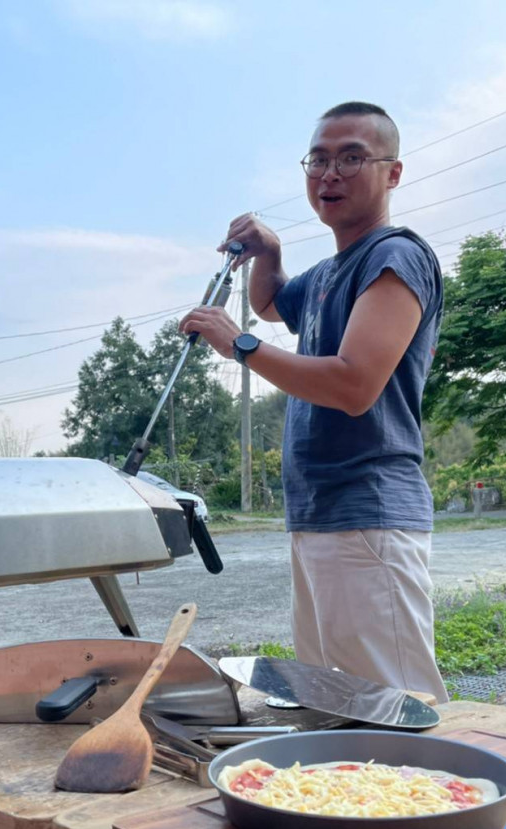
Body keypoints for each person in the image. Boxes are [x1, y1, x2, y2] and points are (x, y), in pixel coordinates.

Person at [179, 101, 448, 701]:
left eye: (352, 157)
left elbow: (354, 386)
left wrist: (239, 343)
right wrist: (269, 254)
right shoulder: (332, 270)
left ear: (393, 173)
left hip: (369, 512)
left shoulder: (395, 256)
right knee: (333, 704)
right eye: (319, 159)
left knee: (391, 708)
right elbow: (275, 302)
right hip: (321, 516)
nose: (331, 173)